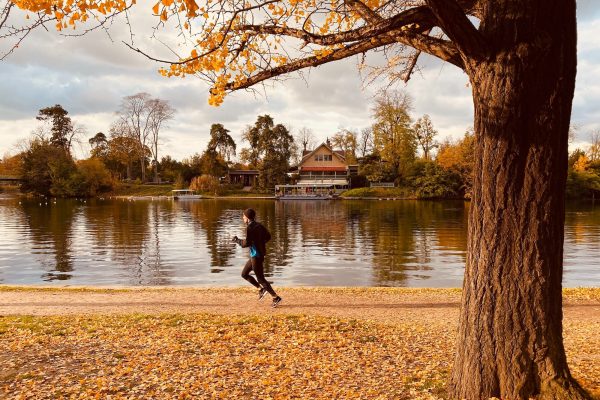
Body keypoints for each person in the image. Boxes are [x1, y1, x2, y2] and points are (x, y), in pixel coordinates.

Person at [232, 208, 282, 308]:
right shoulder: (259, 225)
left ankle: (275, 297)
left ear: (247, 217)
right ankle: (261, 289)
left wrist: (237, 240)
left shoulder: (250, 228)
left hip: (256, 256)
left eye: (243, 216)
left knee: (261, 279)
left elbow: (247, 243)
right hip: (255, 255)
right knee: (244, 274)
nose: (242, 218)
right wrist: (260, 244)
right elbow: (268, 236)